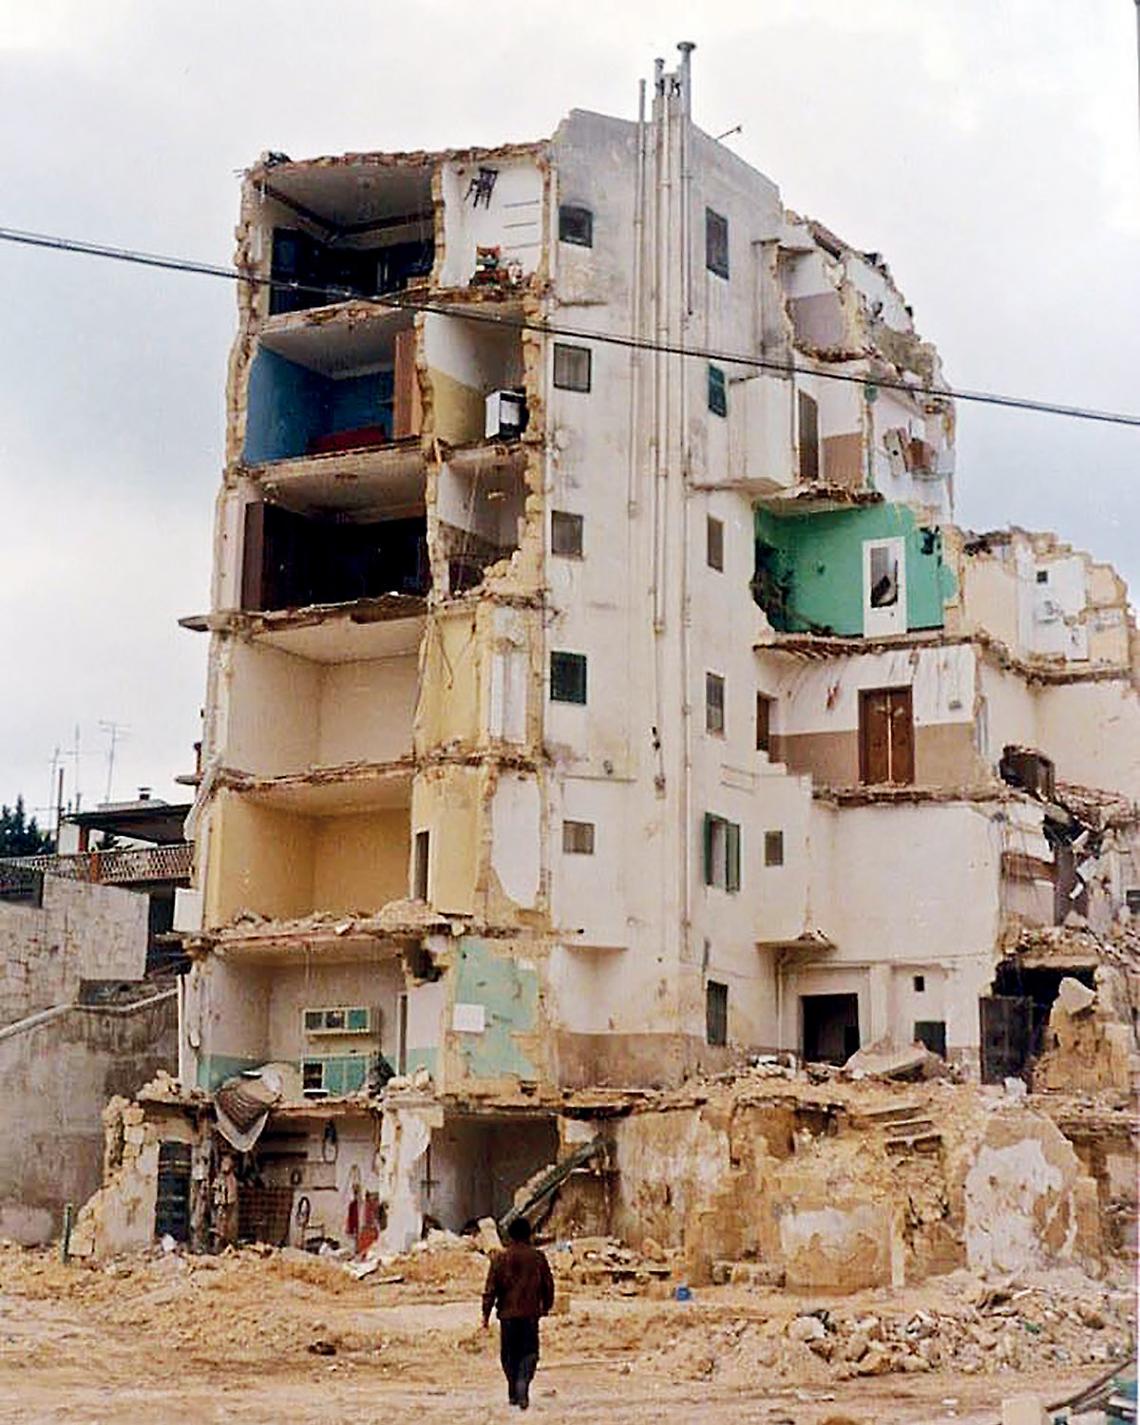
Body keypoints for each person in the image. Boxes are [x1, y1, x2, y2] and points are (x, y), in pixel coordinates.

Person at [481, 1216, 555, 1410]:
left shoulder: (500, 1259)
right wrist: (546, 1306)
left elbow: (490, 1290)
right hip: (530, 1314)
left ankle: (514, 1388)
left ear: (510, 1235)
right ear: (529, 1234)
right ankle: (523, 1384)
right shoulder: (538, 1258)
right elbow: (548, 1285)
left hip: (507, 1316)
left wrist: (485, 1315)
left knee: (509, 1355)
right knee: (529, 1353)